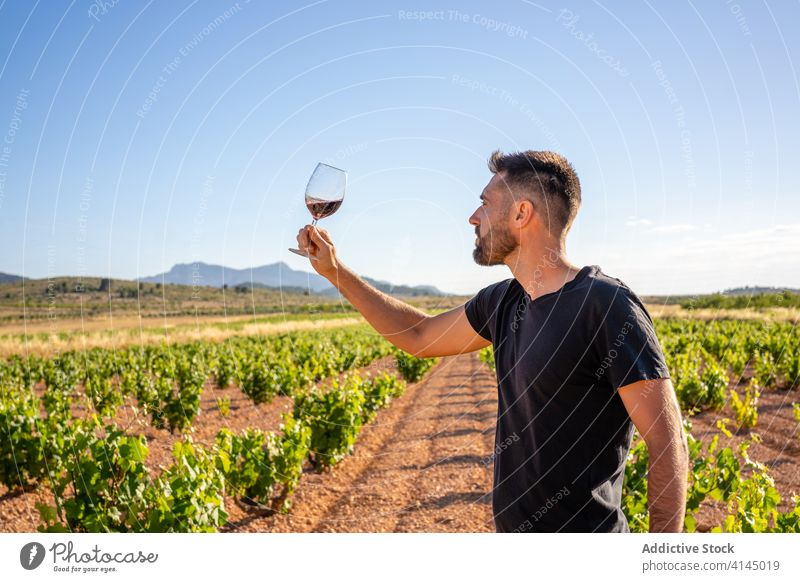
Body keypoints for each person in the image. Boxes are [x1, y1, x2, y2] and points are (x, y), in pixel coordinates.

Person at [295, 149, 689, 533]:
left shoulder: (606, 306)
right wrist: (335, 273)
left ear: (522, 213)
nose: (472, 216)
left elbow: (667, 443)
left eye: (484, 203)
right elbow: (418, 336)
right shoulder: (503, 301)